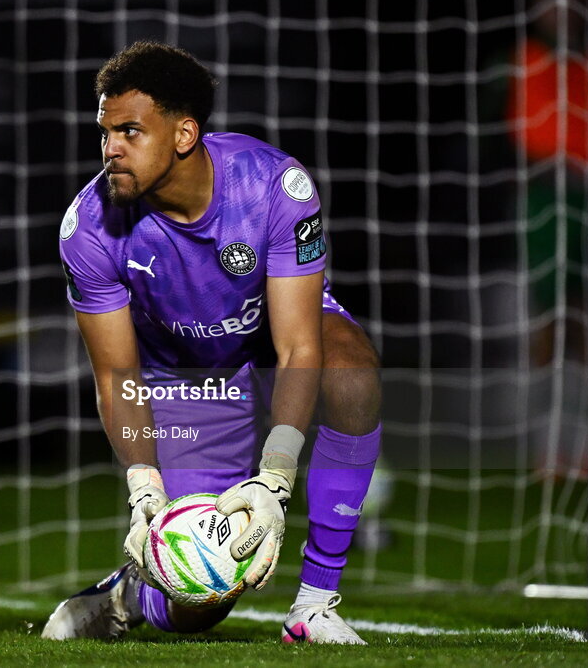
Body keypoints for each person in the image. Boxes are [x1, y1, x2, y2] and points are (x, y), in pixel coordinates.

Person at [41, 41, 381, 645]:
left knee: (351, 370)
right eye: (104, 132)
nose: (109, 149)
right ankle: (127, 595)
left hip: (265, 339)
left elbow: (300, 347)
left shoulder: (276, 187)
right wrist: (143, 484)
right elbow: (117, 375)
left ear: (184, 134)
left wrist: (275, 478)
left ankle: (315, 604)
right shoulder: (89, 228)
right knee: (200, 596)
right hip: (184, 374)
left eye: (129, 132)